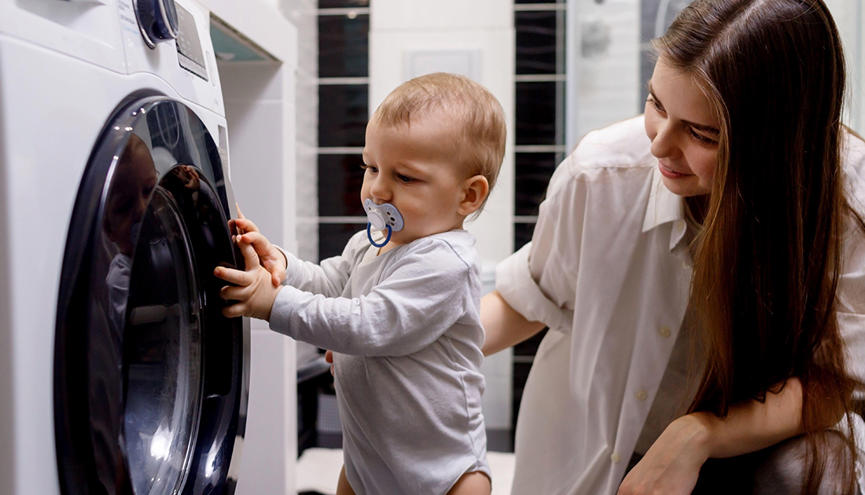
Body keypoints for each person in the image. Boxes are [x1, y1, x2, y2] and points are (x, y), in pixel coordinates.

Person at [480, 0, 865, 494]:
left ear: (777, 145)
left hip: (761, 450)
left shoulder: (848, 203)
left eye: (701, 133)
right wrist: (405, 339)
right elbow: (528, 300)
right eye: (656, 104)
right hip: (615, 450)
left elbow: (833, 383)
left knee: (816, 468)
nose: (659, 146)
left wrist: (698, 434)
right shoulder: (601, 175)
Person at [213, 72, 507, 494]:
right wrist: (280, 265)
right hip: (369, 459)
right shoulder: (373, 242)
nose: (378, 190)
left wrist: (272, 301)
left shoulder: (446, 263)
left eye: (405, 177)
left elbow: (367, 324)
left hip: (446, 473)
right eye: (372, 167)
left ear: (468, 195)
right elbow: (330, 283)